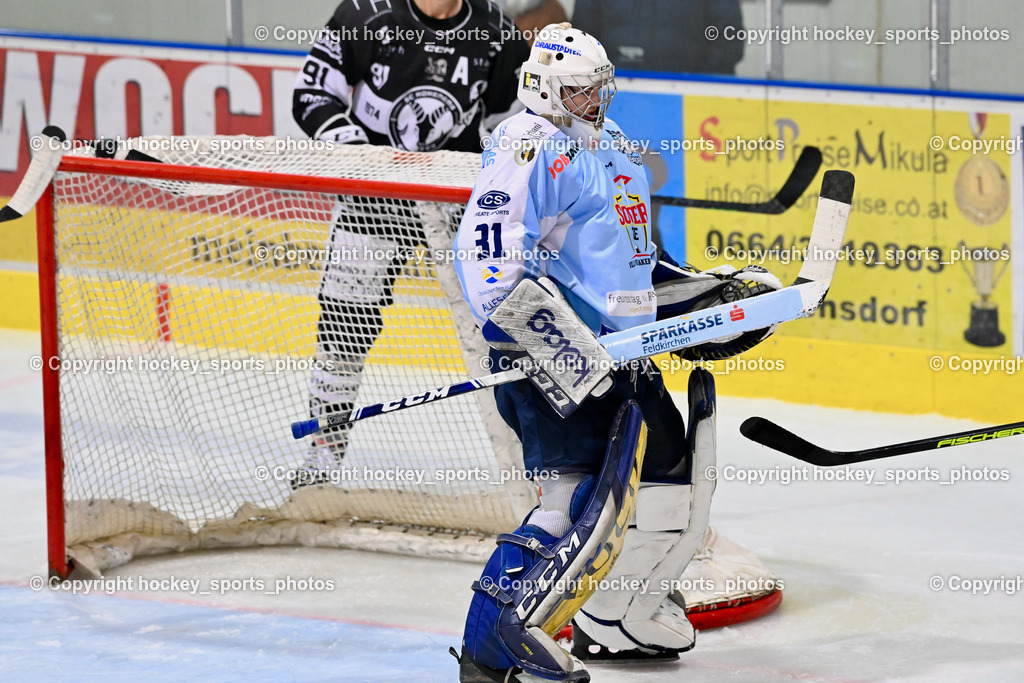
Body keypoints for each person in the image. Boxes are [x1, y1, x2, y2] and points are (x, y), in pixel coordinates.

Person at [450, 22, 781, 682]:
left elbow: (639, 263)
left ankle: (619, 614)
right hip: (553, 360)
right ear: (542, 89)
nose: (595, 102)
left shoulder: (617, 149)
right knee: (573, 501)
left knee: (668, 483)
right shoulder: (524, 146)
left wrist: (709, 305)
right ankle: (494, 642)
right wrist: (548, 340)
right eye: (579, 92)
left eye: (602, 89)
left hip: (623, 358)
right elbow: (488, 253)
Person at [290, 0, 530, 484]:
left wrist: (498, 171)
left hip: (459, 200)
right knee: (343, 328)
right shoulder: (364, 14)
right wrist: (364, 160)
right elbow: (313, 95)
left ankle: (535, 465)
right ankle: (322, 454)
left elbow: (517, 120)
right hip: (375, 196)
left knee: (507, 323)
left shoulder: (496, 28)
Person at [571, 0, 744, 74]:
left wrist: (698, 84)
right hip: (614, 101)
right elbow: (582, 41)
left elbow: (729, 40)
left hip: (690, 101)